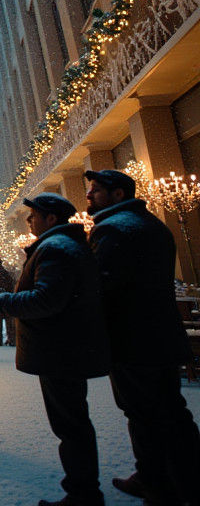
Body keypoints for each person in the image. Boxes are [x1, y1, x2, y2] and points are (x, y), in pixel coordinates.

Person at [85, 168, 200, 505]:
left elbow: (101, 286)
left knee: (148, 414)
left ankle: (164, 485)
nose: (89, 196)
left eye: (95, 190)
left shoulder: (115, 230)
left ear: (118, 194)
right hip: (158, 338)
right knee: (168, 412)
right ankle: (168, 478)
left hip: (133, 340)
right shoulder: (150, 225)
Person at [0, 193, 109, 506]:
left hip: (60, 350)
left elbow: (47, 300)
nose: (29, 221)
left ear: (52, 219)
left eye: (34, 215)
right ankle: (83, 490)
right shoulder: (63, 246)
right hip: (65, 347)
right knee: (73, 422)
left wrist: (6, 301)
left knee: (70, 425)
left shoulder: (56, 249)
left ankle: (82, 494)